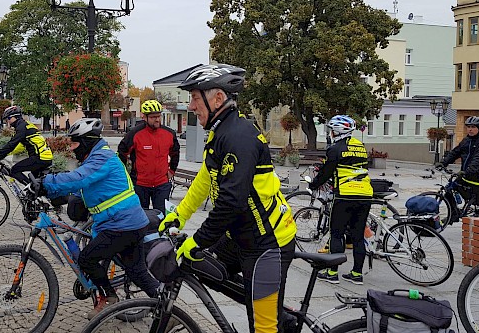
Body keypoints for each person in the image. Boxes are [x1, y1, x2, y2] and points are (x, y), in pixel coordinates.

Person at [159, 64, 296, 333]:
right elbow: (205, 179)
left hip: (266, 244)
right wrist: (181, 214)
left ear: (218, 98)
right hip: (239, 237)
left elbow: (231, 202)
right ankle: (269, 305)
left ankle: (277, 317)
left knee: (263, 327)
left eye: (195, 98)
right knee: (199, 264)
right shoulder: (222, 132)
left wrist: (199, 239)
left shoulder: (238, 137)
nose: (191, 106)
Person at [42, 118, 160, 319]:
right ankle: (167, 308)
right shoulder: (95, 158)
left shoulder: (102, 158)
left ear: (86, 142)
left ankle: (108, 298)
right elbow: (82, 187)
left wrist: (46, 181)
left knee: (87, 258)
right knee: (137, 272)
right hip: (127, 222)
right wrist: (52, 194)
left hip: (122, 224)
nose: (71, 148)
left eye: (74, 143)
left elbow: (80, 178)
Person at [309, 115, 374, 285]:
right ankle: (356, 274)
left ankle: (332, 272)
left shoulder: (335, 148)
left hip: (345, 195)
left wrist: (313, 185)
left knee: (337, 234)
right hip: (365, 195)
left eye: (331, 130)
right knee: (358, 236)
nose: (329, 133)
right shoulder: (360, 146)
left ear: (336, 131)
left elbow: (326, 172)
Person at [118, 99, 180, 214]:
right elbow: (122, 151)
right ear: (144, 117)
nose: (157, 119)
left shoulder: (169, 133)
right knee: (140, 217)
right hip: (140, 184)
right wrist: (124, 173)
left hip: (162, 184)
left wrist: (172, 170)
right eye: (153, 117)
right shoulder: (135, 134)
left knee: (161, 216)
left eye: (158, 116)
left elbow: (175, 153)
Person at [435, 116, 479, 218]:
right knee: (448, 189)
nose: (470, 129)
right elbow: (455, 152)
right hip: (465, 176)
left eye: (473, 127)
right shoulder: (466, 140)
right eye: (468, 127)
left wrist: (468, 171)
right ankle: (453, 213)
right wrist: (443, 163)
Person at [0, 106, 52, 179]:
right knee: (35, 181)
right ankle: (34, 189)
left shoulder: (21, 128)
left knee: (14, 170)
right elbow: (20, 146)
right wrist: (6, 155)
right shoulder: (26, 124)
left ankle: (29, 189)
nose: (8, 121)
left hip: (40, 158)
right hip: (45, 157)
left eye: (8, 118)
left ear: (14, 117)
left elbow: (11, 145)